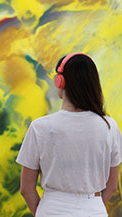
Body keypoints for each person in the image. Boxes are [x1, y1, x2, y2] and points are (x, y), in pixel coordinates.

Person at [16, 52, 122, 217]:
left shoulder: (40, 127)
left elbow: (26, 189)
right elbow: (112, 186)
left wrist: (44, 212)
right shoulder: (109, 126)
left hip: (51, 209)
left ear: (60, 81)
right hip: (94, 210)